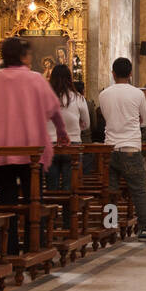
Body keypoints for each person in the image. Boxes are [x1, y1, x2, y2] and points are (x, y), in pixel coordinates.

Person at [0, 37, 69, 254]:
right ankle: (32, 244)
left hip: (0, 150)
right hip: (31, 152)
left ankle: (8, 248)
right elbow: (54, 108)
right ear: (22, 56)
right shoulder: (35, 79)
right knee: (33, 201)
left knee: (5, 201)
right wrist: (62, 132)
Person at [97, 57, 146, 241]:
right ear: (131, 74)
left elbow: (105, 116)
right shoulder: (138, 94)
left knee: (111, 190)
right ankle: (145, 229)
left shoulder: (104, 94)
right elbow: (144, 120)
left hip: (109, 149)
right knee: (139, 189)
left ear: (113, 73)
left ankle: (110, 226)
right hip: (130, 148)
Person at [47, 63, 90, 212]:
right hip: (72, 146)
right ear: (69, 79)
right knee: (70, 189)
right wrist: (75, 129)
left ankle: (50, 225)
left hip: (51, 146)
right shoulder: (78, 98)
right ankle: (67, 223)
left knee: (51, 188)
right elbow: (87, 124)